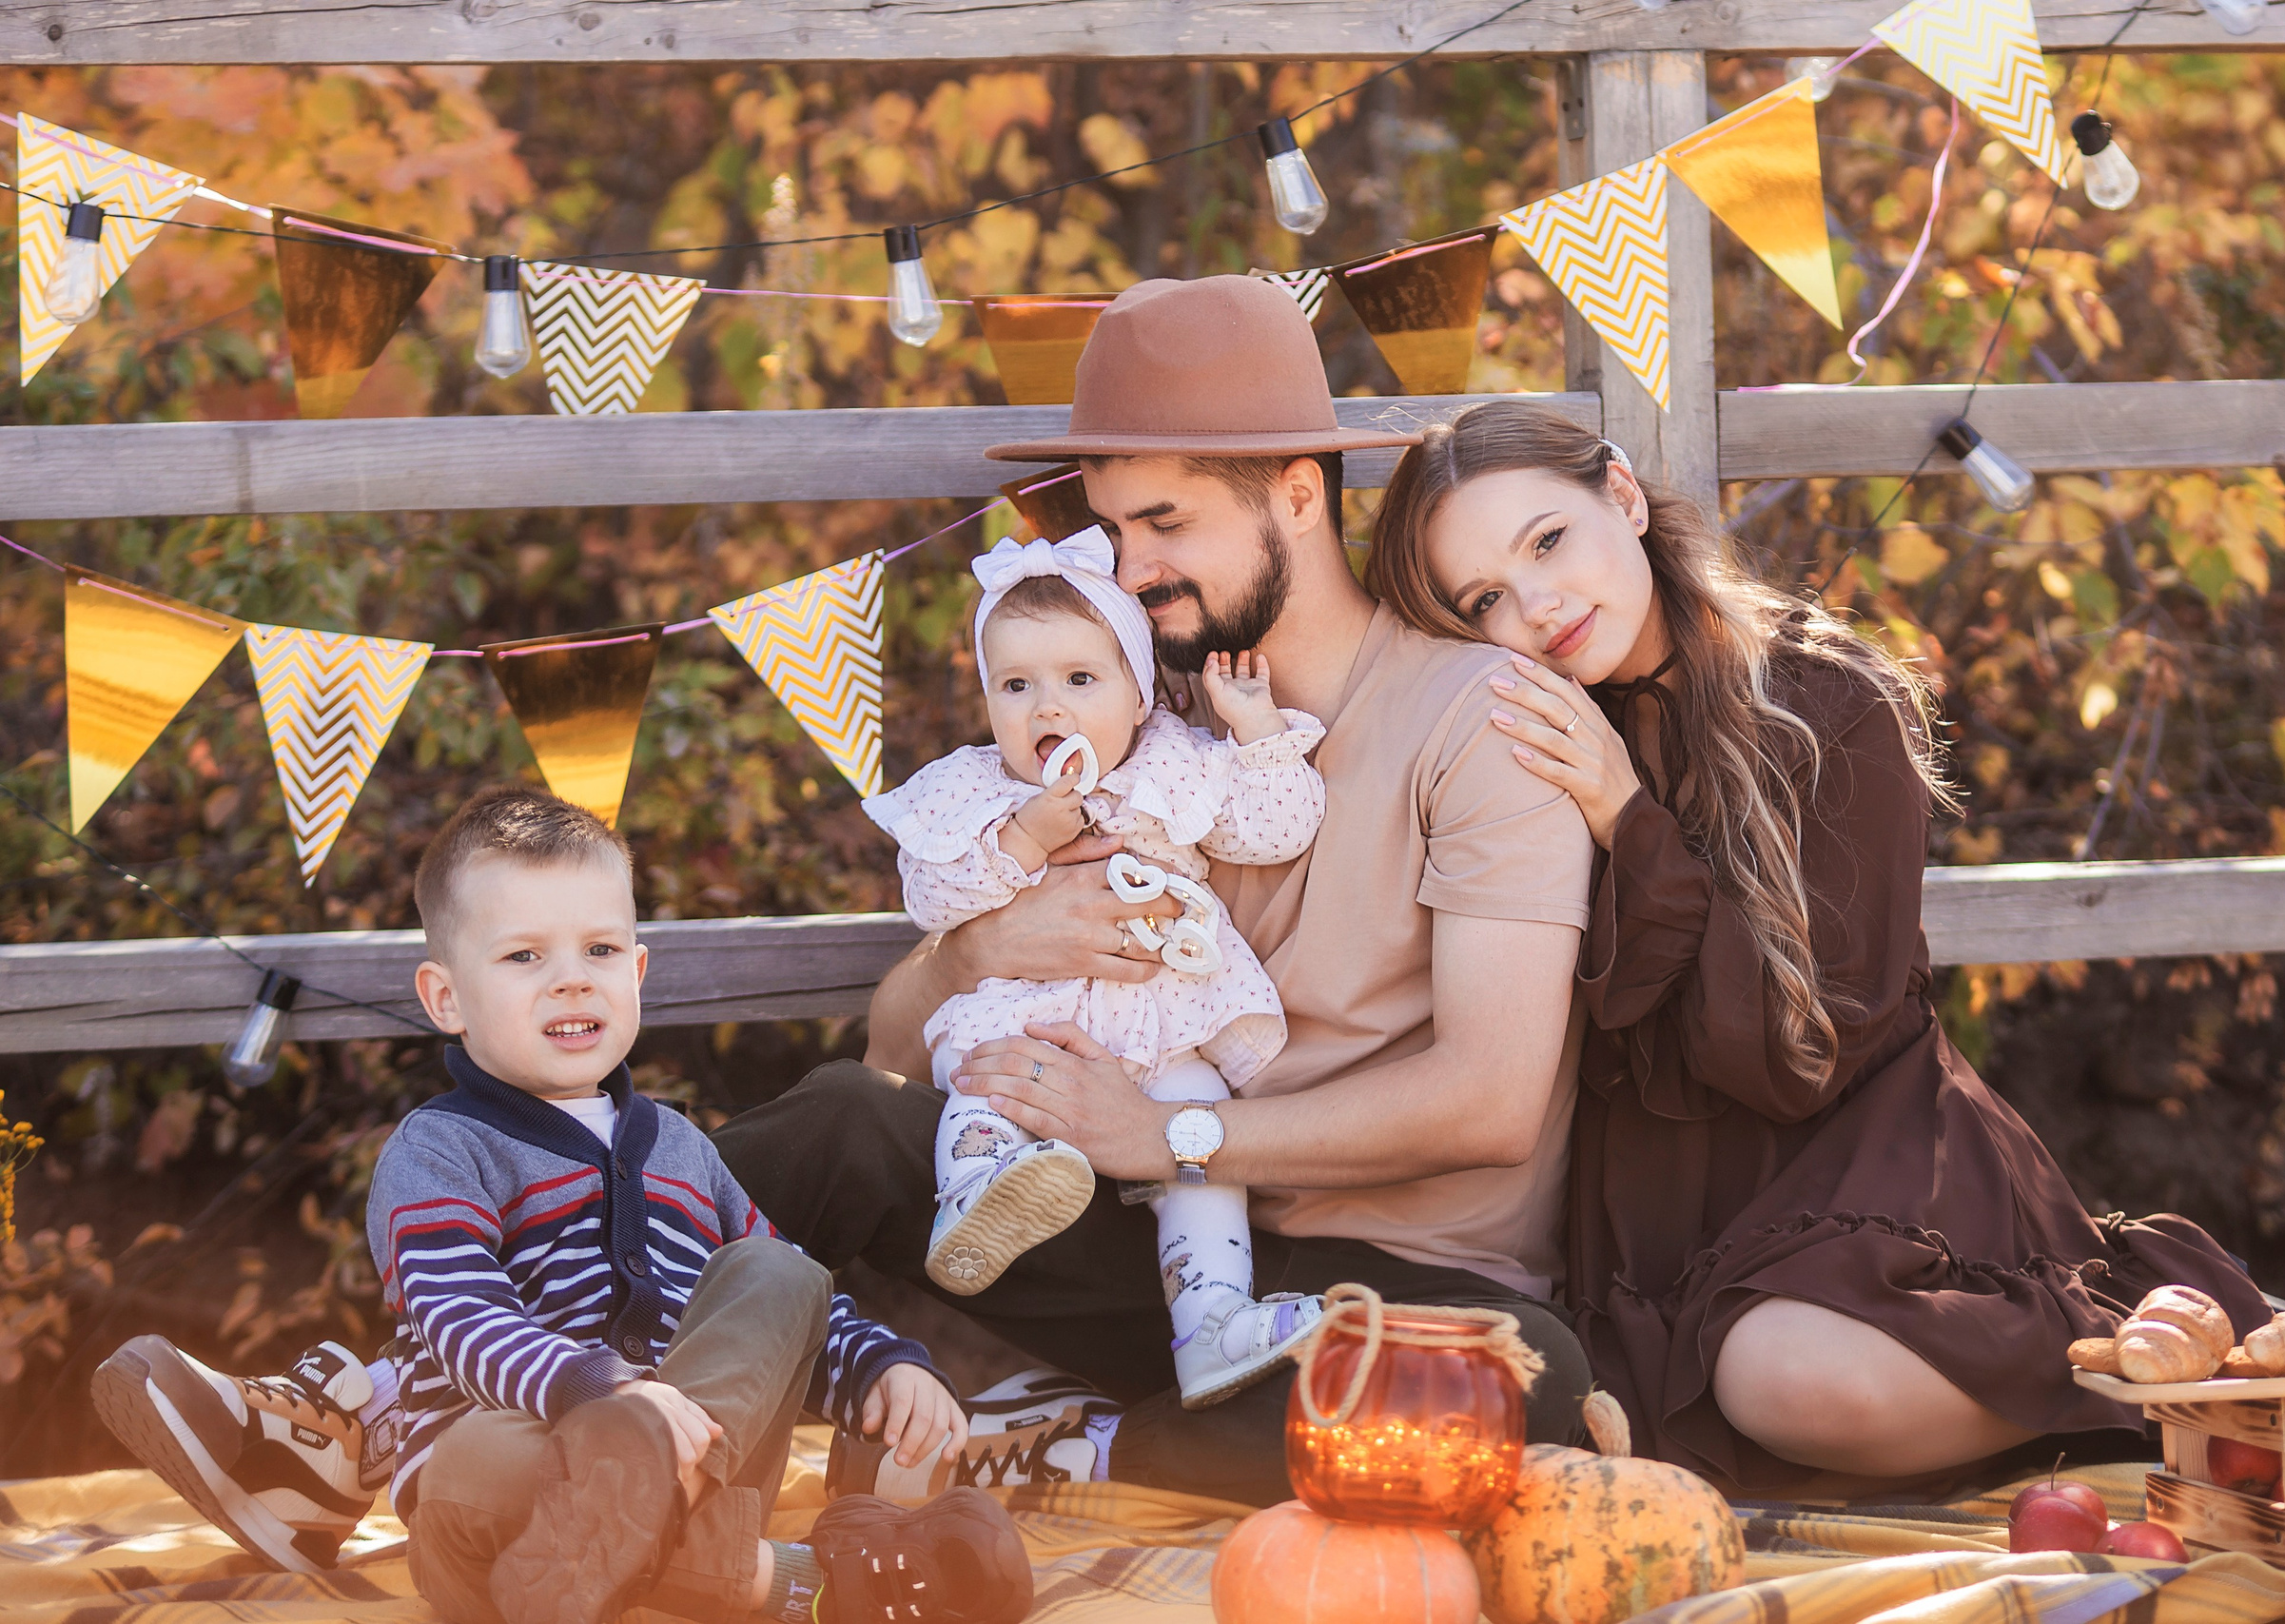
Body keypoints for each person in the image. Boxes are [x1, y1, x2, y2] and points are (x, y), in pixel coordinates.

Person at [713, 275, 1600, 1509]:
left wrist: (1169, 1133)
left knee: (1526, 1378)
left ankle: (1085, 1442)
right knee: (840, 1120)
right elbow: (897, 1042)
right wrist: (984, 951)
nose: (1128, 567)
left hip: (1374, 1280)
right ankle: (528, 1378)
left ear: (1297, 491)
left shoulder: (1476, 721)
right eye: (1113, 526)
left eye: (1165, 522)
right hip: (1137, 1233)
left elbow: (1493, 1099)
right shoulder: (1129, 714)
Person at [1363, 399, 2275, 1493]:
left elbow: (1803, 1055)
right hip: (1657, 1216)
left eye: (1547, 541)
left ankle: (2165, 1379)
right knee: (1617, 1412)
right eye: (1486, 600)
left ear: (1617, 495)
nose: (1539, 605)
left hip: (1870, 1173)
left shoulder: (1826, 704)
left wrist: (1629, 826)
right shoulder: (1513, 743)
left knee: (1779, 1383)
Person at [96, 787, 1030, 1624]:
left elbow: (786, 1323)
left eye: (598, 949)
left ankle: (692, 1561)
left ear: (637, 972)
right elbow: (457, 1315)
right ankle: (772, 1578)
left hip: (681, 1475)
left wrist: (882, 1370)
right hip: (508, 1487)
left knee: (778, 1271)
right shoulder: (440, 1149)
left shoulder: (683, 1149)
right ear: (446, 997)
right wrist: (600, 1395)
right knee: (476, 1454)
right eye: (523, 955)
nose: (571, 977)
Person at [860, 524, 1331, 1407]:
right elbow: (931, 893)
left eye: (1080, 680)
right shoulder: (979, 790)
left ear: (1140, 693)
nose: (1049, 709)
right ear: (988, 698)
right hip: (1025, 1017)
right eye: (1018, 685)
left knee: (1202, 1137)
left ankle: (1213, 1318)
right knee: (989, 1077)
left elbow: (1277, 829)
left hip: (1159, 1028)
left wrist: (1257, 730)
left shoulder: (1172, 766)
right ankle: (980, 1191)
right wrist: (1020, 837)